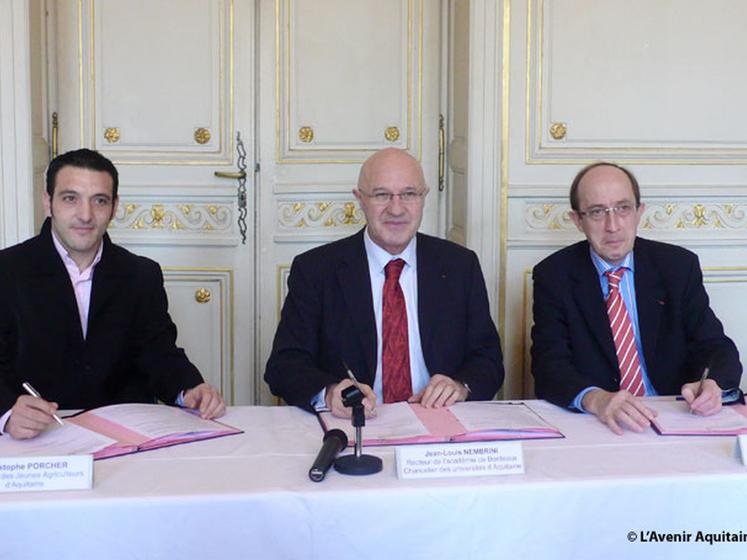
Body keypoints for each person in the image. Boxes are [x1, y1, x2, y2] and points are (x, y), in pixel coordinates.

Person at [0, 149, 225, 439]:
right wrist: (6, 412)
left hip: (125, 437)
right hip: (39, 435)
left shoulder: (141, 274)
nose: (85, 215)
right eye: (71, 198)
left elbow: (159, 353)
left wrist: (189, 389)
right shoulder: (6, 271)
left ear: (115, 207)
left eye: (99, 201)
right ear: (48, 203)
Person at [264, 148, 503, 417]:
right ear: (360, 199)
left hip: (439, 422)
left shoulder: (460, 265)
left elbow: (489, 359)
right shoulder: (316, 270)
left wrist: (461, 386)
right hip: (354, 423)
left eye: (409, 194)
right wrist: (331, 392)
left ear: (424, 197)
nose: (396, 208)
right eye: (381, 195)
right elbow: (284, 366)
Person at [531, 162, 742, 434]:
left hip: (675, 417)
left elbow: (717, 347)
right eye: (597, 212)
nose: (613, 225)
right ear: (577, 220)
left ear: (639, 212)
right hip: (600, 424)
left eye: (623, 208)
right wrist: (596, 399)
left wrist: (713, 384)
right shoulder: (554, 275)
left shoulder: (677, 267)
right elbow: (549, 366)